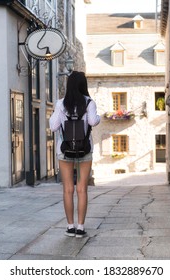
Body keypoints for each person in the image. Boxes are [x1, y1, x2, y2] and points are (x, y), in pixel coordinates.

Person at [49, 71, 100, 238]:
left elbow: (54, 126)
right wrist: (98, 117)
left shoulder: (61, 103)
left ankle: (70, 227)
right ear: (83, 85)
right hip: (84, 149)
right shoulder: (89, 103)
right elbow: (93, 121)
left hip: (64, 150)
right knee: (82, 189)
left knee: (68, 189)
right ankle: (80, 227)